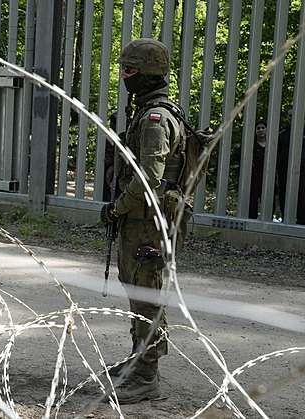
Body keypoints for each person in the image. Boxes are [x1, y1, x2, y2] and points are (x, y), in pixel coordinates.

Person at [99, 38, 182, 404]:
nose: (123, 75)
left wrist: (117, 207)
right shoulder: (149, 111)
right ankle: (138, 360)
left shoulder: (155, 118)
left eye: (129, 70)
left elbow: (150, 176)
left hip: (149, 220)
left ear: (148, 74)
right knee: (136, 289)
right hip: (143, 220)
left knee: (147, 294)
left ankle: (147, 376)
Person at [276, 107, 305, 225]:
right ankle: (286, 222)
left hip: (302, 171)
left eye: (294, 115)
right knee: (284, 197)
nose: (292, 118)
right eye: (290, 115)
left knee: (302, 199)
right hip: (284, 172)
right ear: (287, 117)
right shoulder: (282, 134)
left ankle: (303, 224)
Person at [233, 119, 271, 219]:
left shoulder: (272, 145)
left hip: (268, 179)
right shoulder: (250, 145)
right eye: (258, 128)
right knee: (252, 203)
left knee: (269, 203)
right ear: (255, 131)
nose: (261, 130)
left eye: (263, 128)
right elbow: (235, 155)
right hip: (253, 179)